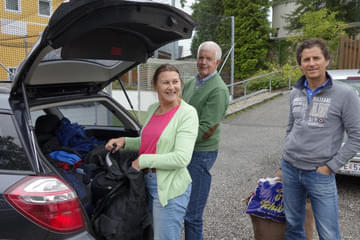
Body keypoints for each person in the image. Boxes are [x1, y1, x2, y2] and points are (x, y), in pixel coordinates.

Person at [277, 38, 360, 240]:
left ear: (327, 61)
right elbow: (291, 127)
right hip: (290, 169)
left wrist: (330, 166)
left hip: (319, 173)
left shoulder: (345, 94)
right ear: (300, 64)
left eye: (316, 58)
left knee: (329, 233)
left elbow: (356, 136)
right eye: (306, 59)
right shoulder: (295, 92)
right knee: (293, 225)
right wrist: (283, 161)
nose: (311, 63)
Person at [105, 64, 199, 240]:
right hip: (146, 182)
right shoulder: (152, 110)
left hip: (169, 188)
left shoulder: (187, 114)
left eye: (175, 82)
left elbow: (181, 158)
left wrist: (142, 162)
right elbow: (149, 142)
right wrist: (124, 141)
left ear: (181, 84)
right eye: (165, 83)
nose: (171, 87)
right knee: (150, 234)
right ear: (155, 86)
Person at [182, 41, 229, 240]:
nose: (203, 62)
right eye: (200, 57)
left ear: (217, 62)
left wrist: (178, 142)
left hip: (200, 153)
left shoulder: (218, 90)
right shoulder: (193, 82)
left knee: (192, 214)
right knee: (181, 208)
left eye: (208, 58)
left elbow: (206, 130)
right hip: (185, 150)